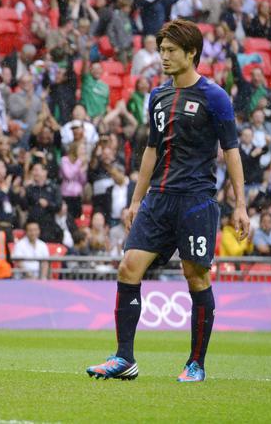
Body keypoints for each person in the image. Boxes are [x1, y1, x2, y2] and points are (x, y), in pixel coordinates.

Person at [87, 20, 249, 383]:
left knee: (195, 275)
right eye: (161, 50)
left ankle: (196, 364)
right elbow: (150, 150)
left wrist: (240, 205)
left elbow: (232, 151)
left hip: (195, 200)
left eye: (171, 50)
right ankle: (124, 358)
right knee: (128, 267)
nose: (164, 56)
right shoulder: (157, 96)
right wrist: (135, 200)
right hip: (158, 200)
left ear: (192, 53)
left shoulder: (215, 97)